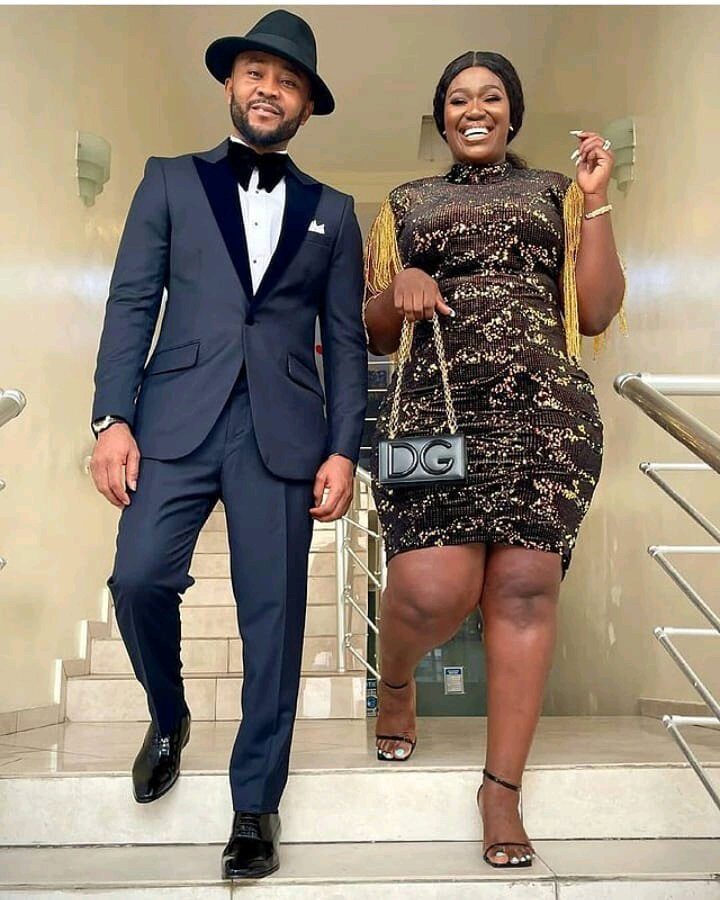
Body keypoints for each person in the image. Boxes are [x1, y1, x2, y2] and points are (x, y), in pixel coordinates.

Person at [89, 10, 367, 880]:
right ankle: (169, 713)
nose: (269, 90)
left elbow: (345, 341)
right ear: (230, 84)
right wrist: (112, 418)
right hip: (175, 417)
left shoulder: (334, 212)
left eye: (288, 82)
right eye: (256, 73)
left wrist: (345, 448)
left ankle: (256, 805)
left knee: (273, 620)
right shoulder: (168, 180)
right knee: (138, 577)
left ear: (306, 106)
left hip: (283, 432)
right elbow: (132, 302)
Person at [363, 50, 625, 868]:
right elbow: (374, 330)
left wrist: (596, 199)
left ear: (513, 112)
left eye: (490, 97)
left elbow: (595, 309)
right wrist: (399, 284)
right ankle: (396, 684)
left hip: (546, 413)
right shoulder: (407, 203)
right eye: (457, 99)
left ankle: (501, 790)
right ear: (441, 117)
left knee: (523, 591)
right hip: (436, 410)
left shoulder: (556, 191)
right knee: (429, 590)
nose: (473, 109)